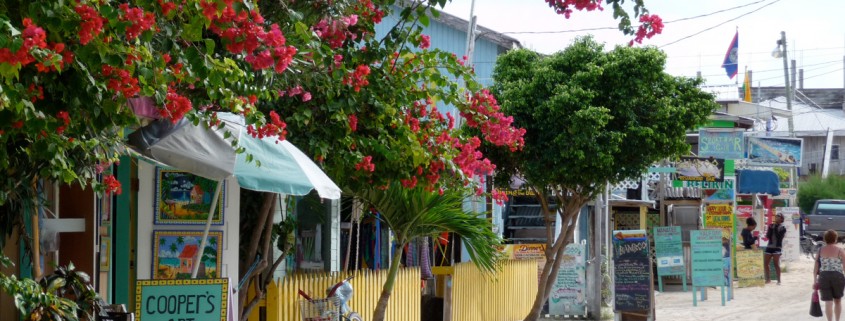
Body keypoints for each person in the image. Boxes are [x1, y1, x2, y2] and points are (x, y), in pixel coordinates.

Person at [815, 229, 845, 321]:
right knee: (838, 301)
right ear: (835, 239)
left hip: (823, 276)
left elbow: (816, 267)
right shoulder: (840, 250)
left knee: (828, 302)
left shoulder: (820, 250)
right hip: (838, 276)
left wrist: (814, 280)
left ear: (825, 239)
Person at [765, 213, 787, 284]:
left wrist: (775, 228)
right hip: (769, 246)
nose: (776, 218)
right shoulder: (771, 225)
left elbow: (779, 236)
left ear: (781, 219)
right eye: (776, 216)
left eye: (778, 217)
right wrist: (771, 229)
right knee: (765, 264)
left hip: (777, 247)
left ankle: (779, 280)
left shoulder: (783, 227)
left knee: (776, 264)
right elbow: (768, 236)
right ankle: (768, 279)